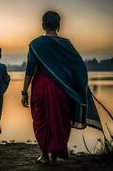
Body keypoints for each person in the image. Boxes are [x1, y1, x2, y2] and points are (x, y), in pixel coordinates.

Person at [21, 11, 102, 164]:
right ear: (58, 25)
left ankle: (44, 156)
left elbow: (30, 69)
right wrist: (79, 84)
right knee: (60, 119)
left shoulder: (35, 44)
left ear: (43, 24)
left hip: (40, 87)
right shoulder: (66, 44)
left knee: (41, 119)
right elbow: (79, 66)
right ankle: (53, 156)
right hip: (62, 89)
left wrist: (24, 91)